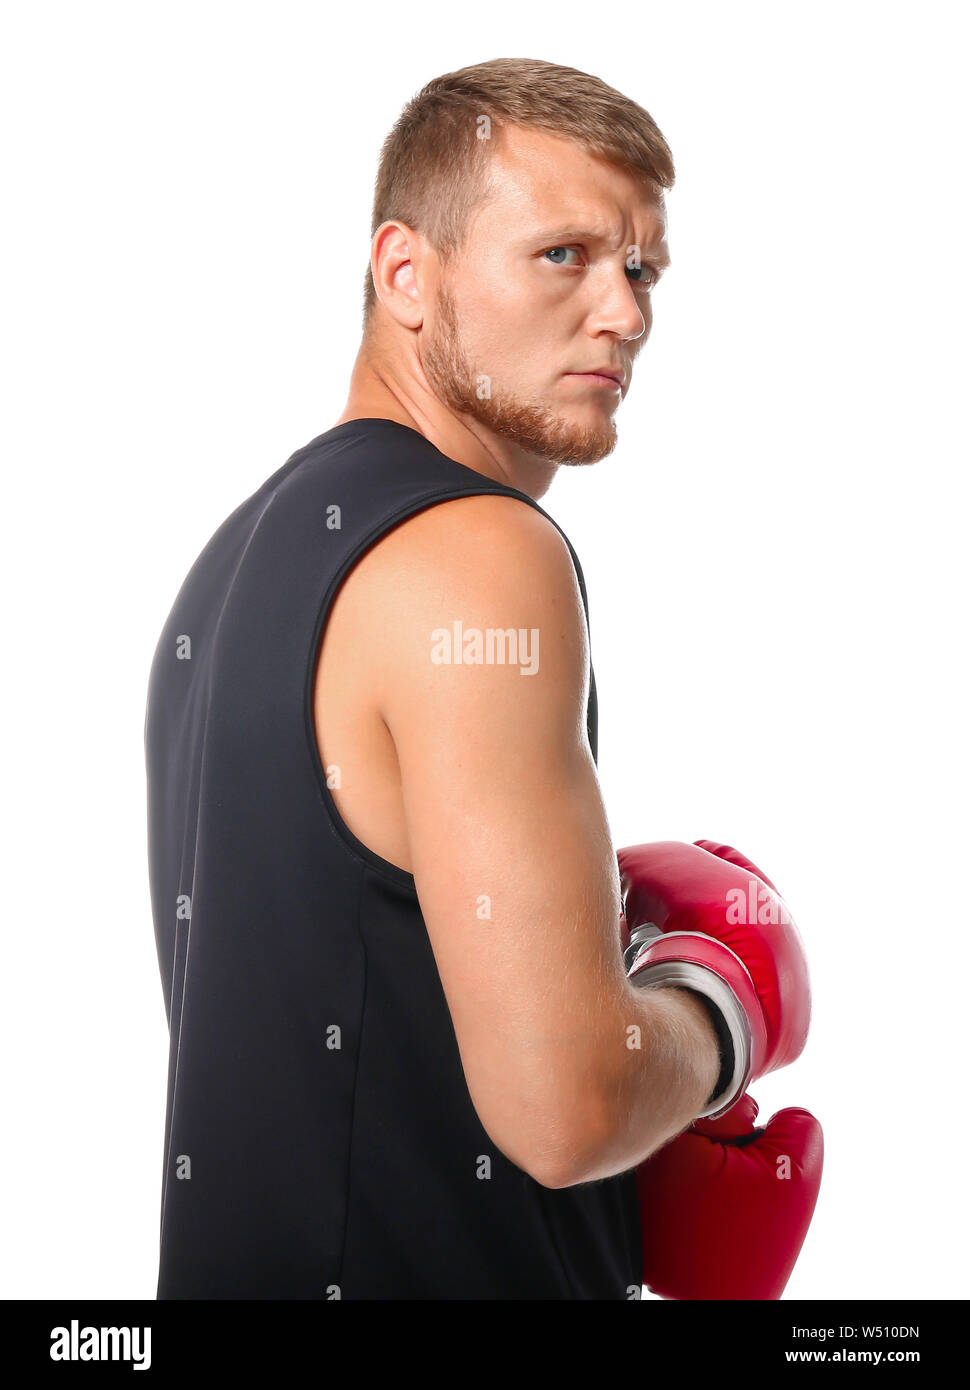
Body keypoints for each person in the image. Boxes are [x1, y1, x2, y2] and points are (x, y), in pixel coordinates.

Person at [144, 57, 816, 1301]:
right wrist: (714, 1008)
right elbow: (566, 1107)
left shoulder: (234, 562)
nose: (626, 314)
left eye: (643, 268)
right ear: (407, 272)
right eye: (562, 254)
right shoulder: (480, 552)